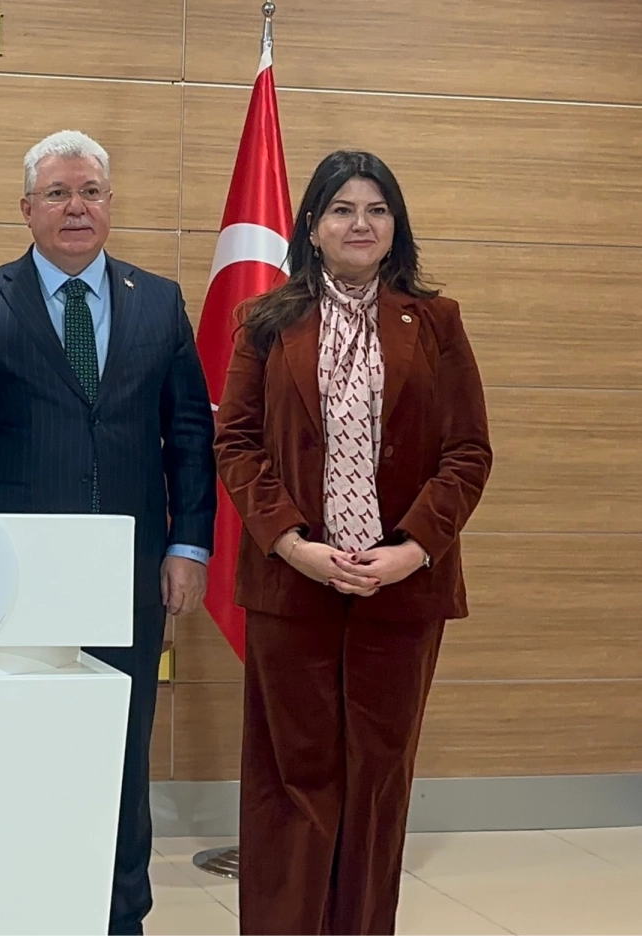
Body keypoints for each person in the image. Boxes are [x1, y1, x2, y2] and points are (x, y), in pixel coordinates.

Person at [0, 129, 216, 936]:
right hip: (13, 577)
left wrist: (188, 545)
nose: (76, 207)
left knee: (121, 752)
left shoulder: (158, 301)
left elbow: (189, 435)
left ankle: (121, 915)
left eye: (90, 191)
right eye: (57, 193)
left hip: (129, 572)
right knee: (17, 748)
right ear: (26, 208)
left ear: (110, 203)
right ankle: (17, 906)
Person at [213, 149, 492, 936]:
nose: (359, 224)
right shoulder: (265, 321)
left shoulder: (436, 323)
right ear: (312, 226)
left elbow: (467, 453)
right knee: (292, 780)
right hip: (292, 583)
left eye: (376, 209)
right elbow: (236, 444)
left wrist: (413, 549)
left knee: (377, 782)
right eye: (342, 209)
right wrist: (290, 542)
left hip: (402, 590)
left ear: (396, 226)